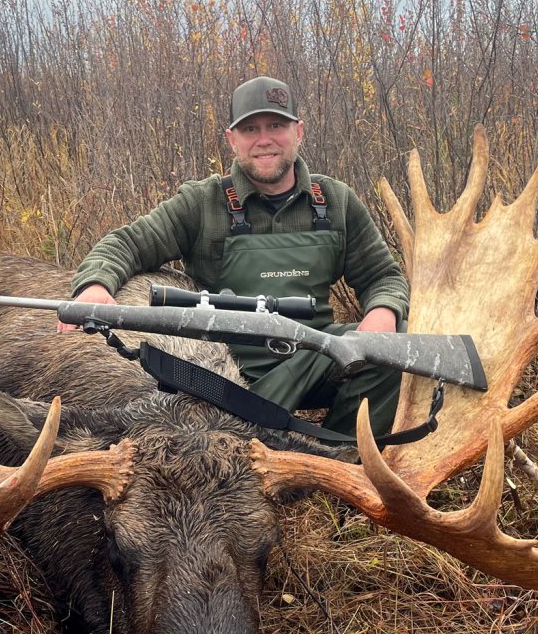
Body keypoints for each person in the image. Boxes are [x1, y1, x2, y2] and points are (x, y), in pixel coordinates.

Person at [60, 75, 409, 436]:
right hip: (228, 377)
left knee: (393, 343)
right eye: (250, 129)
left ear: (299, 131)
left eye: (276, 126)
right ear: (232, 139)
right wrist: (96, 285)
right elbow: (127, 244)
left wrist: (382, 313)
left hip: (318, 359)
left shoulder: (335, 200)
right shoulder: (202, 202)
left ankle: (338, 454)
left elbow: (383, 276)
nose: (264, 139)